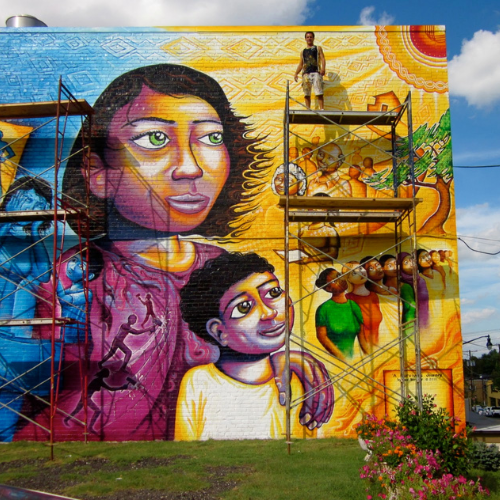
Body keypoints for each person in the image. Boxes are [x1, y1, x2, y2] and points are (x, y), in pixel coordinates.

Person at [16, 64, 333, 442]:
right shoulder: (73, 275)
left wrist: (264, 358)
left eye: (212, 138)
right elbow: (31, 377)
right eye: (154, 138)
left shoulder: (227, 272)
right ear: (97, 173)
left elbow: (229, 360)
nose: (190, 168)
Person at [176, 252, 333, 440]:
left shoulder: (295, 378)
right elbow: (185, 446)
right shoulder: (199, 382)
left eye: (273, 293)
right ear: (219, 332)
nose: (268, 313)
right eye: (243, 307)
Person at [315, 268, 366, 360]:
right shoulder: (323, 309)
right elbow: (322, 337)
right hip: (335, 362)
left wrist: (371, 357)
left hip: (352, 361)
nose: (340, 279)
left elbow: (362, 339)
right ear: (328, 288)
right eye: (334, 280)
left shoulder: (353, 306)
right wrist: (342, 359)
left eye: (339, 275)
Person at [294, 31, 326, 110]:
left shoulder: (317, 48)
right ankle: (308, 109)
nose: (309, 38)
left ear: (313, 38)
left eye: (311, 37)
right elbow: (301, 64)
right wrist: (296, 73)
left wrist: (323, 68)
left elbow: (322, 58)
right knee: (306, 93)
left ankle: (322, 109)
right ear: (305, 39)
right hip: (306, 74)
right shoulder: (303, 51)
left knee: (319, 92)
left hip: (316, 72)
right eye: (307, 37)